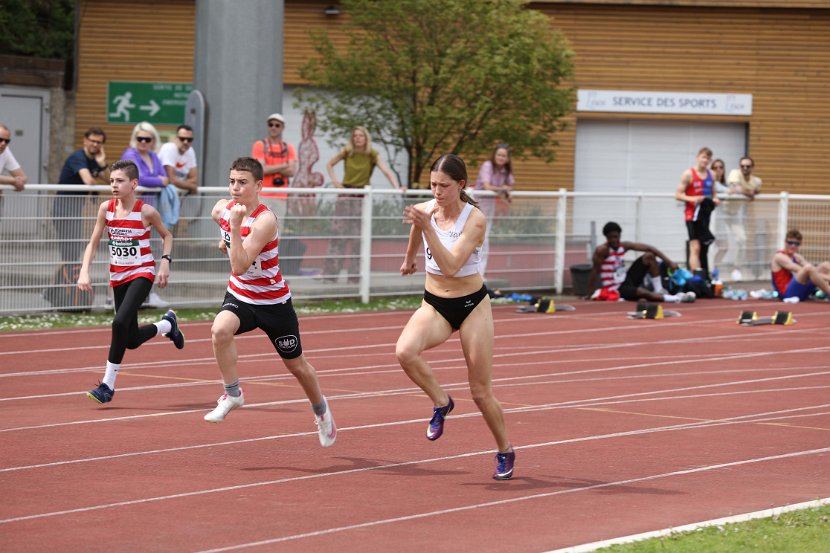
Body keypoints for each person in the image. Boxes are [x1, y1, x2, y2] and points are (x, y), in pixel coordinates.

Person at [396, 153, 514, 480]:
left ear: (460, 185)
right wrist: (409, 260)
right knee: (404, 351)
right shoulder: (425, 210)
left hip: (472, 305)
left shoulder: (474, 219)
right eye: (433, 185)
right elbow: (416, 232)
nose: (437, 192)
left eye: (444, 186)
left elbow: (450, 267)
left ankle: (505, 449)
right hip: (435, 304)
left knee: (480, 391)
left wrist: (427, 227)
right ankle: (441, 401)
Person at [204, 156, 336, 448]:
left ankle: (321, 411)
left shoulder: (265, 220)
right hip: (241, 295)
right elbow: (220, 221)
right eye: (231, 182)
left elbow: (239, 264)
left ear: (259, 186)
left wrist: (234, 230)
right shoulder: (222, 209)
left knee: (297, 367)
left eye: (242, 183)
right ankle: (232, 393)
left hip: (274, 303)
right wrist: (224, 237)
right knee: (219, 330)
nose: (235, 188)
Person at [78, 160, 185, 404]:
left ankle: (107, 385)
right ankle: (168, 325)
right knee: (132, 339)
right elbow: (93, 242)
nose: (114, 185)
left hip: (142, 272)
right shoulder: (106, 209)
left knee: (119, 322)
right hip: (118, 276)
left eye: (119, 181)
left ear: (134, 183)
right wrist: (84, 270)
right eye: (112, 181)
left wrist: (164, 263)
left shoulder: (146, 211)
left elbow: (167, 235)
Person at [323, 126, 401, 282]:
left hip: (362, 196)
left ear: (366, 138)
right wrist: (335, 182)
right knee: (338, 235)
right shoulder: (347, 151)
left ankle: (355, 277)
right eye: (355, 135)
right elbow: (329, 164)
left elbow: (386, 171)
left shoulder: (371, 154)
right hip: (345, 195)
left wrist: (397, 188)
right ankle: (330, 275)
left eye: (361, 136)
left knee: (359, 238)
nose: (358, 138)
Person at [121, 121, 171, 309]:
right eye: (139, 138)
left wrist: (159, 179)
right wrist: (159, 180)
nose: (142, 141)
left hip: (151, 210)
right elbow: (138, 177)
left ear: (153, 141)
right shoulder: (130, 154)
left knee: (151, 252)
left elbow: (163, 176)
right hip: (133, 210)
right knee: (131, 253)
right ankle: (124, 297)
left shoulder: (153, 156)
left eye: (147, 139)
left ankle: (148, 295)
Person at [585, 221, 695, 303]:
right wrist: (590, 293)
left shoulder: (623, 246)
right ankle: (677, 298)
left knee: (649, 256)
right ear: (606, 238)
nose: (614, 240)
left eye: (616, 237)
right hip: (615, 288)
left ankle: (659, 290)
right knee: (642, 293)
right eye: (611, 238)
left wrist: (668, 262)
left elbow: (650, 248)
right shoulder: (602, 250)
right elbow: (595, 271)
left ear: (620, 236)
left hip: (626, 280)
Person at [53, 127, 109, 264]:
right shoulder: (78, 158)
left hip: (76, 209)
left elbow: (111, 180)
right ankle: (61, 284)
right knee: (69, 252)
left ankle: (59, 283)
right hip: (63, 209)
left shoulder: (95, 161)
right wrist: (95, 178)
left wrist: (103, 164)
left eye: (99, 142)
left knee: (73, 252)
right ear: (85, 141)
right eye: (92, 141)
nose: (95, 145)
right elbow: (88, 180)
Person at [473, 144, 515, 279]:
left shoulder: (505, 170)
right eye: (499, 155)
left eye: (504, 155)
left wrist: (507, 190)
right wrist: (503, 189)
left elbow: (510, 186)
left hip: (489, 204)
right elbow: (487, 186)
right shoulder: (488, 166)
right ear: (494, 155)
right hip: (477, 203)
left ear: (508, 158)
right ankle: (469, 272)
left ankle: (480, 273)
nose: (501, 158)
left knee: (485, 238)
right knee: (473, 236)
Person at [675, 146, 719, 275]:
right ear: (698, 157)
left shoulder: (712, 174)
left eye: (708, 158)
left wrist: (715, 199)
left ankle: (704, 275)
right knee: (695, 247)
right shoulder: (688, 174)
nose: (705, 161)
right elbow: (678, 195)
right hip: (692, 215)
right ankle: (696, 278)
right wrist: (693, 198)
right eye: (703, 157)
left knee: (705, 246)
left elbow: (713, 193)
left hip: (705, 214)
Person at [251, 113, 297, 222]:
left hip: (281, 196)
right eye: (271, 125)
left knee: (277, 229)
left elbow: (292, 171)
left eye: (277, 125)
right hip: (262, 194)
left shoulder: (288, 147)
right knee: (259, 227)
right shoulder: (260, 145)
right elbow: (262, 169)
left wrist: (270, 168)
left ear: (282, 128)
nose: (273, 127)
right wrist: (284, 165)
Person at [727, 156, 763, 281]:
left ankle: (736, 268)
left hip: (735, 214)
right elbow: (737, 189)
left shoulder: (756, 180)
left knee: (742, 240)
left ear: (752, 167)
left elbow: (757, 191)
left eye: (748, 166)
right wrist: (749, 192)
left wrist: (746, 191)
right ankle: (711, 270)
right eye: (742, 166)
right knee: (720, 245)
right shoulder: (734, 173)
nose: (745, 168)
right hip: (721, 212)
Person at [770, 230, 830, 302]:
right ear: (785, 242)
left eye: (796, 244)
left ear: (799, 245)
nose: (793, 246)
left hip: (799, 291)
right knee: (808, 269)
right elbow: (803, 270)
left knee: (825, 265)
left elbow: (814, 270)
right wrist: (827, 277)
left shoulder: (796, 256)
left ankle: (827, 295)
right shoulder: (779, 257)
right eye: (790, 243)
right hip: (787, 294)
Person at [159, 124, 198, 194]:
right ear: (176, 138)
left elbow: (194, 180)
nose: (185, 142)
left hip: (176, 195)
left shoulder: (190, 151)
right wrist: (191, 186)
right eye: (182, 139)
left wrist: (180, 183)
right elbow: (172, 180)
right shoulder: (169, 149)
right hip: (161, 195)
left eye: (189, 140)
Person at [0, 123, 27, 192]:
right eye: (0, 140)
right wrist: (13, 181)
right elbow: (17, 180)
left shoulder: (5, 151)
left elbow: (23, 178)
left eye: (7, 141)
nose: (3, 143)